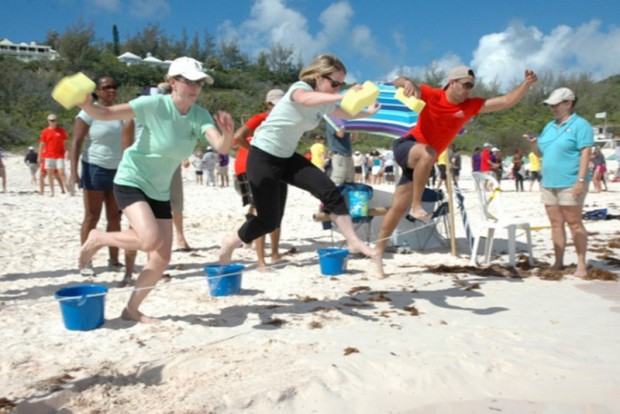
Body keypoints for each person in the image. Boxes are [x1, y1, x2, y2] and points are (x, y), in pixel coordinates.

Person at [77, 57, 235, 322]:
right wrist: (85, 104)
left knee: (161, 258)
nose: (195, 87)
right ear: (173, 82)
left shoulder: (200, 115)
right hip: (132, 180)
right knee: (150, 240)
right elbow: (105, 114)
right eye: (189, 81)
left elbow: (221, 147)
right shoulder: (153, 104)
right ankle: (98, 238)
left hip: (159, 191)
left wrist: (228, 132)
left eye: (199, 82)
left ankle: (131, 310)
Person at [218, 53, 384, 277]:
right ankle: (231, 241)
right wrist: (343, 94)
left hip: (286, 157)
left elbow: (345, 113)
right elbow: (306, 99)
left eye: (341, 84)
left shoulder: (325, 103)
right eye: (335, 83)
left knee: (330, 191)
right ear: (319, 78)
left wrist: (368, 113)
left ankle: (353, 241)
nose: (338, 88)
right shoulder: (299, 88)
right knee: (268, 221)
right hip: (263, 156)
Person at [376, 66, 538, 257]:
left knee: (397, 208)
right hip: (407, 145)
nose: (469, 90)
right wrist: (407, 82)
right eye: (466, 85)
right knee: (429, 154)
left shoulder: (469, 106)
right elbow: (398, 81)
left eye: (472, 86)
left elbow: (504, 101)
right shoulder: (432, 94)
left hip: (421, 163)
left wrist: (526, 85)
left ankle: (377, 251)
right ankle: (417, 205)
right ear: (452, 82)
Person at [528, 87, 593, 278]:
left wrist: (580, 180)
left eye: (556, 104)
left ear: (569, 103)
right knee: (556, 223)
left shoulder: (581, 125)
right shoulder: (549, 126)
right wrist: (533, 144)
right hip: (549, 182)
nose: (553, 108)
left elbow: (586, 153)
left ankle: (581, 263)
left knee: (574, 223)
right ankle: (558, 261)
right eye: (551, 105)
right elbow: (540, 153)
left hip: (571, 181)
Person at [69, 75, 124, 276]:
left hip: (118, 169)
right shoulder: (87, 112)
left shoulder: (120, 112)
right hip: (94, 167)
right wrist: (73, 172)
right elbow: (76, 142)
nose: (111, 90)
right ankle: (86, 261)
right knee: (92, 216)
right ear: (97, 91)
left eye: (114, 86)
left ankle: (114, 260)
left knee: (115, 217)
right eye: (106, 87)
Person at [233, 88, 289, 269]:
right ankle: (260, 260)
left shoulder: (287, 120)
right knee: (262, 212)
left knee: (277, 212)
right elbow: (238, 137)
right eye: (276, 104)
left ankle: (274, 253)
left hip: (277, 168)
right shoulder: (261, 118)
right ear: (269, 104)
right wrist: (257, 153)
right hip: (253, 167)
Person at [39, 113, 68, 196]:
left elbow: (65, 142)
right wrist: (40, 156)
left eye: (54, 120)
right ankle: (51, 192)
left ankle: (67, 188)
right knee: (49, 173)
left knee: (61, 172)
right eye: (51, 120)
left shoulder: (61, 131)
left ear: (57, 121)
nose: (53, 122)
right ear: (48, 121)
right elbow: (41, 144)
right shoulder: (45, 131)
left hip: (59, 154)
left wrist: (67, 152)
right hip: (48, 155)